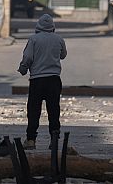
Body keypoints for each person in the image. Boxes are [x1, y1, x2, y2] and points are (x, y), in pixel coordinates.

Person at [18, 14, 67, 150]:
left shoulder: (33, 39)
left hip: (37, 80)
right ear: (52, 27)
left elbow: (27, 57)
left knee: (34, 110)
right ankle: (54, 139)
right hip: (54, 80)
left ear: (38, 26)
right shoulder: (59, 39)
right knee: (54, 110)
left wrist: (23, 68)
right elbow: (63, 55)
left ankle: (31, 140)